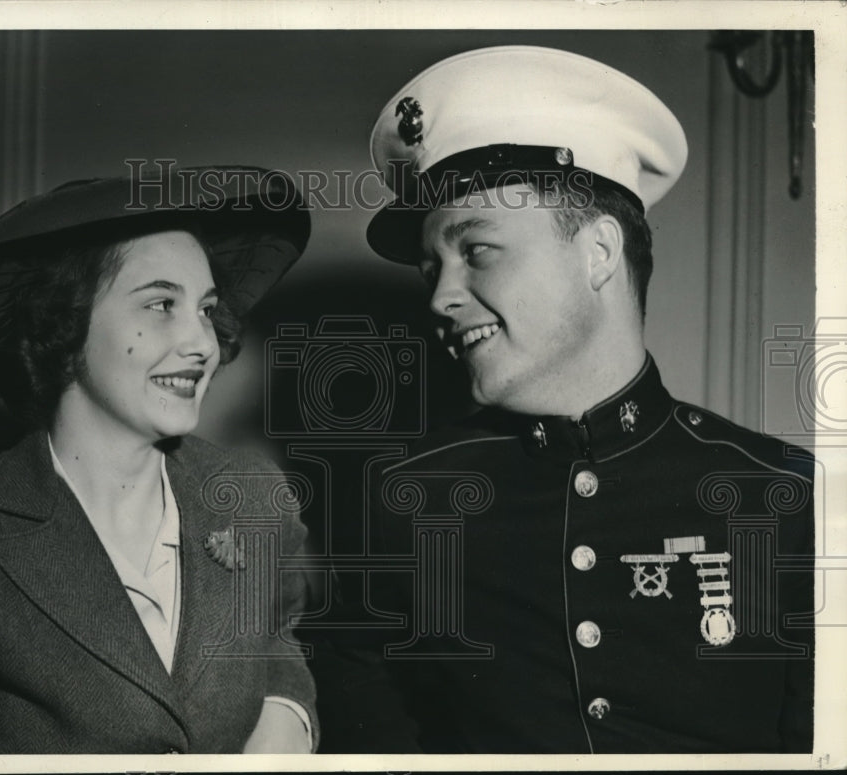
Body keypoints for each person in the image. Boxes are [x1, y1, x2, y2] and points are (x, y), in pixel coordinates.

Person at [311, 46, 814, 754]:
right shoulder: (402, 500)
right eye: (432, 267)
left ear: (599, 252)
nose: (440, 295)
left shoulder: (783, 494)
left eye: (477, 250)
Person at [0, 170, 318, 753]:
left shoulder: (253, 493)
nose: (203, 343)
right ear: (61, 324)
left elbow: (277, 642)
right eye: (162, 303)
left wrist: (287, 717)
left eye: (207, 310)